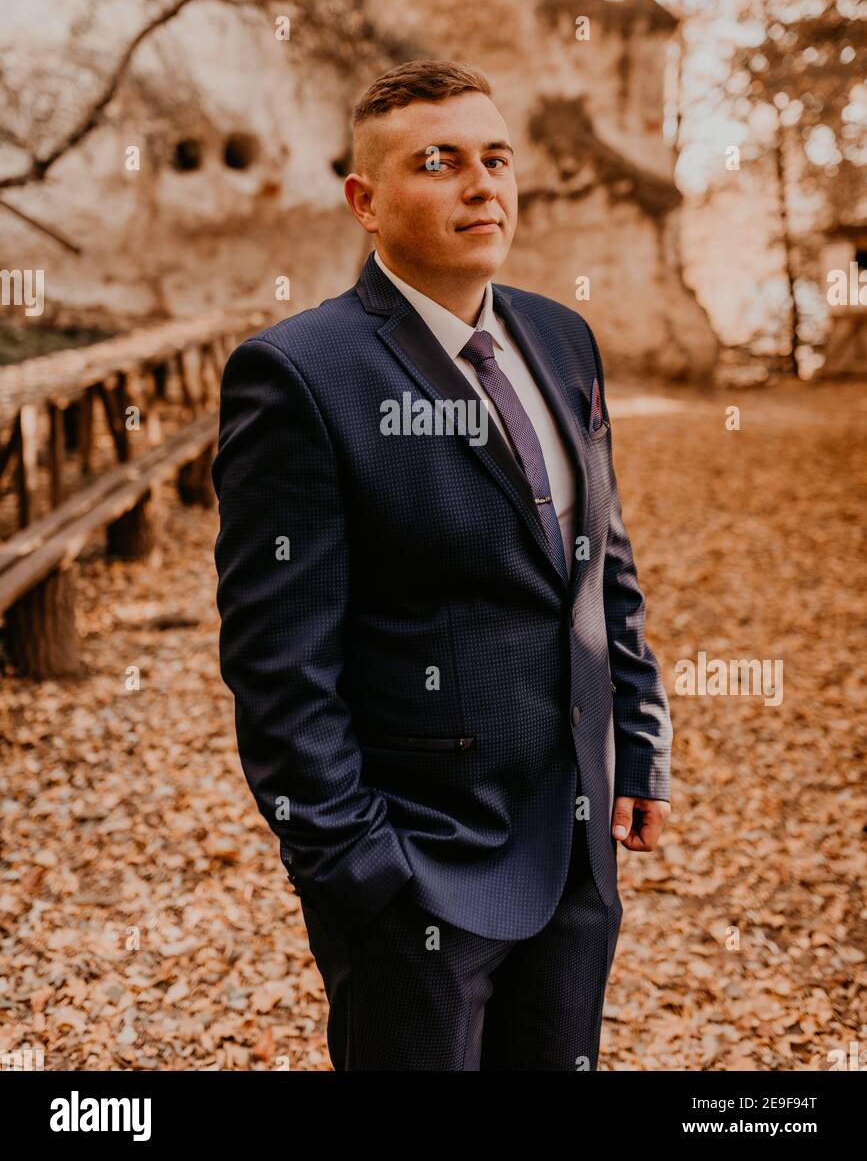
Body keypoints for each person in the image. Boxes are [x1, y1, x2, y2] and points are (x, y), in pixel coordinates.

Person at [212, 59, 673, 1071]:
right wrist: (362, 872)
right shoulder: (299, 375)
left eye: (496, 158)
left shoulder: (562, 338)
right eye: (441, 162)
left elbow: (604, 559)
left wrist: (637, 741)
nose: (482, 184)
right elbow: (277, 667)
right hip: (418, 879)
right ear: (364, 202)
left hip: (577, 856)